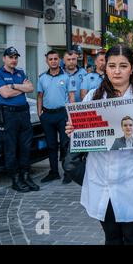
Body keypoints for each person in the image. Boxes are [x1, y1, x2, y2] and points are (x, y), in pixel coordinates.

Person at [65, 45, 133, 245]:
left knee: (131, 236)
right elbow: (84, 136)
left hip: (131, 179)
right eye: (112, 66)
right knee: (111, 236)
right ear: (106, 68)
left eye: (123, 65)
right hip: (100, 176)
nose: (117, 71)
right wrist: (74, 131)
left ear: (132, 68)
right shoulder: (93, 97)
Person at [0, 47, 39, 192]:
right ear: (4, 58)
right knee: (11, 148)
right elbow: (5, 94)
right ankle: (15, 178)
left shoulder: (20, 72)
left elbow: (30, 88)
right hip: (8, 115)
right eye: (11, 57)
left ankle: (25, 175)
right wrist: (21, 88)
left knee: (25, 147)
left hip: (23, 114)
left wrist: (13, 86)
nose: (14, 60)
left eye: (15, 57)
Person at [37, 51, 76, 184]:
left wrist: (71, 116)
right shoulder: (42, 78)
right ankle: (53, 172)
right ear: (47, 61)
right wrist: (39, 114)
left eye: (55, 59)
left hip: (62, 115)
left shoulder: (66, 77)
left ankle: (67, 172)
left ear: (59, 60)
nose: (53, 61)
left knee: (65, 144)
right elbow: (40, 96)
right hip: (47, 115)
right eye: (50, 59)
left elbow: (71, 97)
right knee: (51, 145)